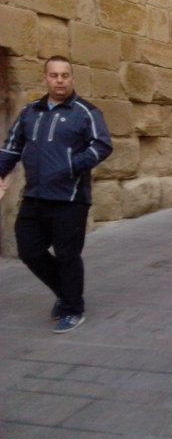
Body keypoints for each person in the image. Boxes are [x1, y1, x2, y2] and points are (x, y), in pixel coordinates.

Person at [0, 56, 112, 333]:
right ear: (45, 79)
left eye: (64, 75)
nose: (59, 80)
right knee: (29, 251)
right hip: (34, 196)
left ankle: (73, 308)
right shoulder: (29, 113)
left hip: (70, 198)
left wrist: (71, 165)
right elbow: (12, 148)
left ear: (72, 78)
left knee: (67, 255)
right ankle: (67, 293)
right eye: (54, 75)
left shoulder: (86, 112)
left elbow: (101, 145)